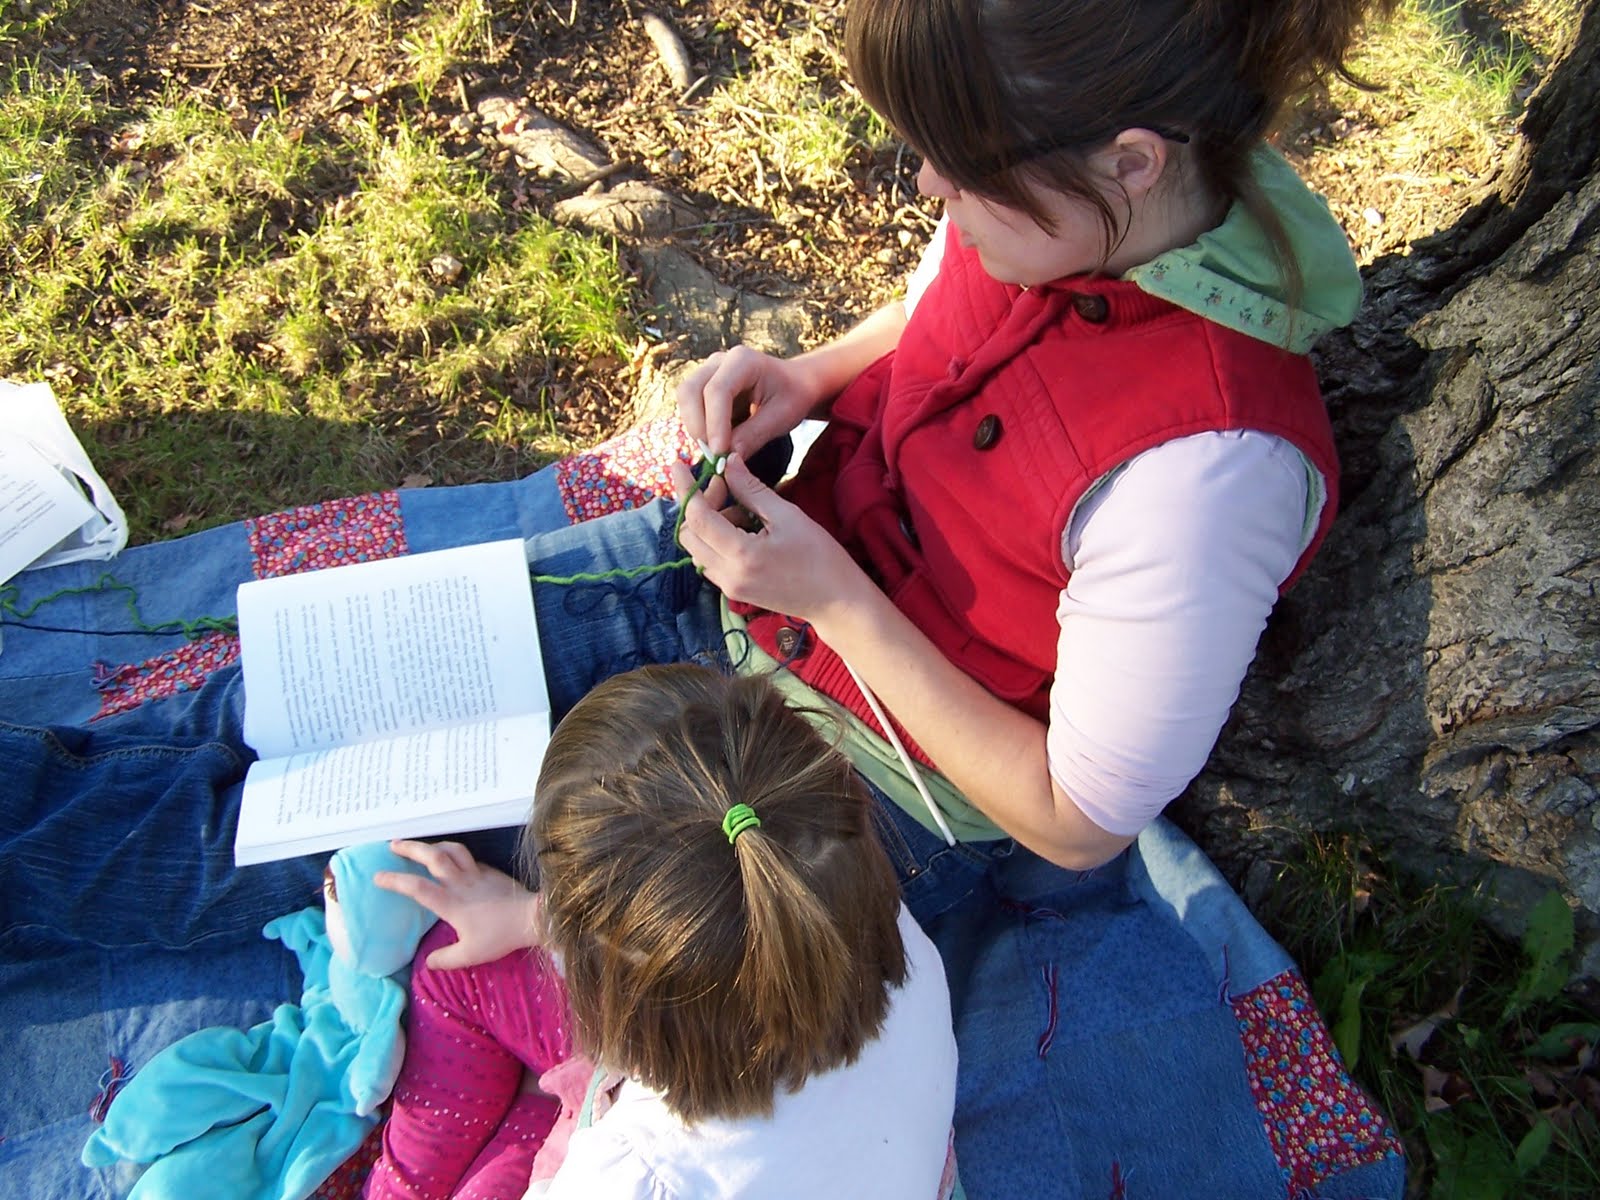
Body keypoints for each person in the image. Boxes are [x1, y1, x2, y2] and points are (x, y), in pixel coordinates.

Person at [3, 1, 1407, 1196]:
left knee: (352, 826)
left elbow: (1081, 817)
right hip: (741, 616)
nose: (925, 192)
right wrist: (818, 376)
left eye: (953, 168)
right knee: (305, 705)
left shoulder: (1211, 468)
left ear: (1134, 162)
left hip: (845, 796)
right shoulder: (1071, 205)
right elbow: (945, 303)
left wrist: (841, 600)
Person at [360, 664, 957, 1200]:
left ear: (606, 1007)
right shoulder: (857, 915)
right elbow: (723, 927)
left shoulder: (635, 1179)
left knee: (453, 982)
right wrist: (529, 917)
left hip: (632, 1149)